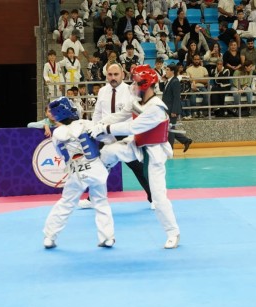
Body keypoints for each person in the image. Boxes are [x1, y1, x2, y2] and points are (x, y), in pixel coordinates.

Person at [89, 65, 181, 249]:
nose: (133, 85)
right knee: (109, 151)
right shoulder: (138, 100)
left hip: (153, 152)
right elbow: (119, 116)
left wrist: (105, 129)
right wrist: (98, 124)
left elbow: (132, 127)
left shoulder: (157, 108)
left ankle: (173, 233)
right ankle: (101, 174)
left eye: (137, 83)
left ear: (146, 85)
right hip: (137, 145)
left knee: (158, 196)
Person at [42, 96, 115, 249]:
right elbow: (106, 138)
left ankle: (49, 237)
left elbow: (62, 155)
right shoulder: (87, 124)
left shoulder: (57, 134)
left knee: (66, 203)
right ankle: (107, 237)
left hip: (76, 172)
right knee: (101, 202)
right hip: (95, 168)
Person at [81, 63, 154, 209]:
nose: (113, 78)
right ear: (106, 75)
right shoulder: (102, 91)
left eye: (116, 74)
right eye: (110, 75)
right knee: (100, 167)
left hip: (124, 133)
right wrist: (95, 128)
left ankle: (154, 198)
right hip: (104, 133)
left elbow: (128, 114)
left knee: (137, 168)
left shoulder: (130, 90)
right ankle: (93, 198)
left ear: (122, 74)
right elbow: (98, 112)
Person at [162, 64, 192, 151]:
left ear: (172, 71)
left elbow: (176, 97)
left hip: (172, 109)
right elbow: (161, 89)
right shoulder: (169, 80)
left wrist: (174, 111)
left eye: (167, 70)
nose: (166, 72)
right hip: (168, 109)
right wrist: (162, 80)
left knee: (170, 130)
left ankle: (170, 150)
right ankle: (186, 141)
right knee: (170, 128)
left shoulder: (175, 82)